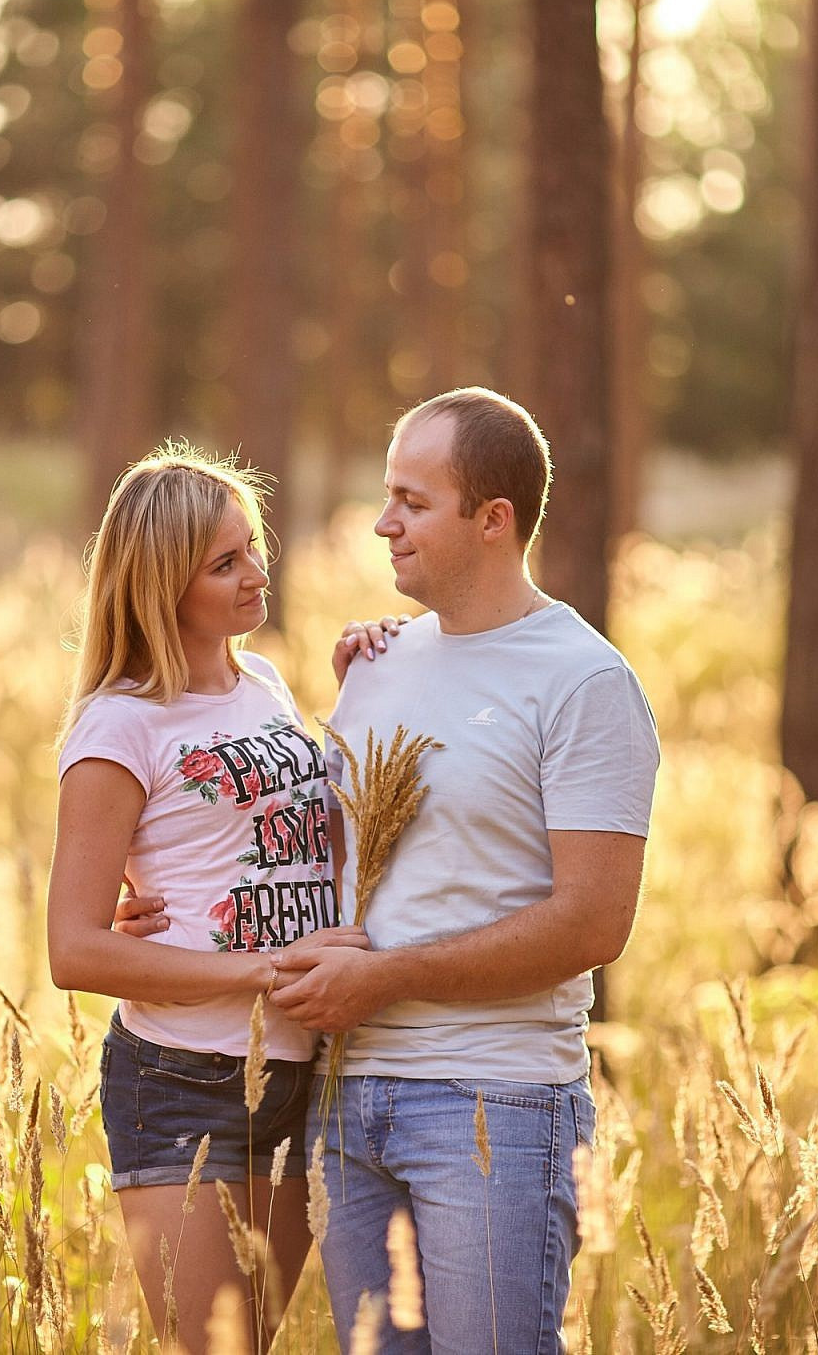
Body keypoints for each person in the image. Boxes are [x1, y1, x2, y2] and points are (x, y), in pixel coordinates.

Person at [268, 386, 662, 1353]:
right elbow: (336, 853)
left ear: (494, 521)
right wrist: (160, 892)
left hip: (494, 1105)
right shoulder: (379, 661)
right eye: (386, 495)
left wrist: (387, 977)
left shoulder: (583, 681)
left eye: (411, 500)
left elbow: (592, 925)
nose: (381, 522)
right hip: (348, 1098)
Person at [45, 445, 393, 1354]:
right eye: (225, 563)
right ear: (163, 585)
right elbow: (73, 949)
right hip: (182, 1079)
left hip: (300, 1071)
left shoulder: (267, 684)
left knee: (255, 1343)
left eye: (253, 548)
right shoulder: (119, 726)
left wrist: (359, 692)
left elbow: (285, 834)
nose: (256, 575)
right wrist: (260, 970)